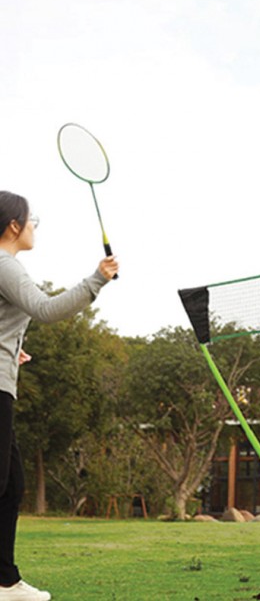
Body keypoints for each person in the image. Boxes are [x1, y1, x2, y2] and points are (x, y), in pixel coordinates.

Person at [0, 191, 118, 601]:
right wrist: (96, 279)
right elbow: (45, 309)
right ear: (14, 226)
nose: (34, 228)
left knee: (11, 484)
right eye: (31, 221)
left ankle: (5, 581)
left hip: (4, 382)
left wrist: (14, 350)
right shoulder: (6, 266)